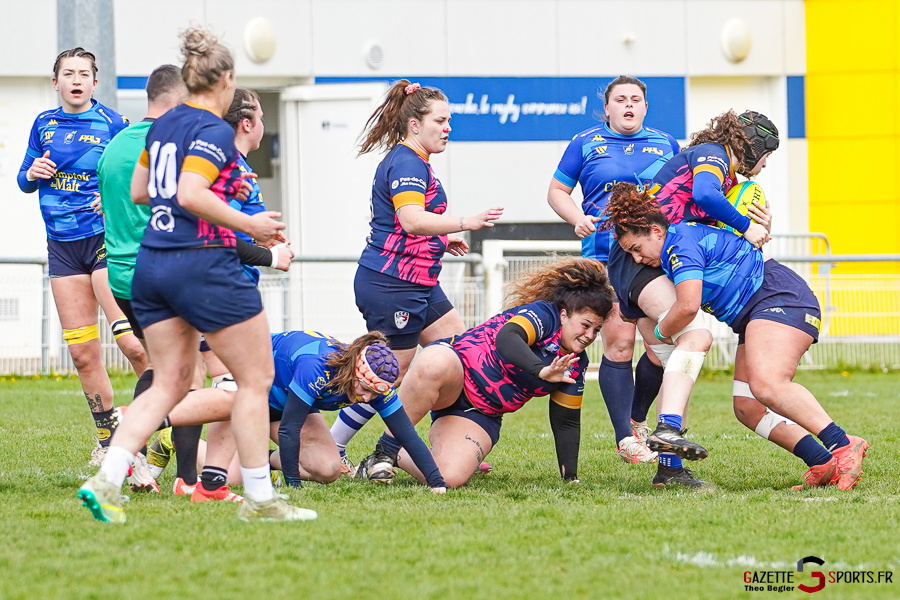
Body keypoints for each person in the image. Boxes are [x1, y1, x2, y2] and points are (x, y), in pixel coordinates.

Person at [77, 27, 315, 524]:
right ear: (225, 79)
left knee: (169, 382)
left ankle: (107, 480)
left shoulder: (162, 126)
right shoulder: (211, 131)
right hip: (202, 266)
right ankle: (261, 500)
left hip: (153, 266)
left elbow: (142, 190)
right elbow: (188, 192)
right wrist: (249, 223)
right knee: (254, 379)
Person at [603, 183, 869, 491]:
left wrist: (661, 333)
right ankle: (821, 461)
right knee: (747, 406)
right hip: (757, 311)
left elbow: (688, 307)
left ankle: (843, 443)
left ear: (655, 231)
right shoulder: (675, 244)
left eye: (636, 248)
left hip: (779, 297)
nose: (636, 258)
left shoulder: (679, 242)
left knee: (767, 384)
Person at [328, 79, 504, 471]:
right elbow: (409, 220)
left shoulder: (417, 160)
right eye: (440, 120)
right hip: (393, 286)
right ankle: (333, 445)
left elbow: (406, 224)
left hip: (419, 283)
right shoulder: (407, 161)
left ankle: (450, 443)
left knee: (459, 351)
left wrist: (443, 240)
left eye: (449, 121)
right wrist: (465, 222)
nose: (447, 128)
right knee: (386, 374)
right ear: (414, 125)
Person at [604, 110, 778, 487]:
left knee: (675, 366)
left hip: (639, 261)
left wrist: (760, 225)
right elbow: (703, 195)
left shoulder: (723, 180)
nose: (766, 163)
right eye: (768, 154)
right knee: (694, 336)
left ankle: (668, 469)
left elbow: (706, 223)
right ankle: (656, 429)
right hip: (641, 259)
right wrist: (747, 225)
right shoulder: (713, 153)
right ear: (753, 144)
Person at [355, 258, 615, 488]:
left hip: (480, 413)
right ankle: (384, 451)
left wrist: (570, 477)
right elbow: (508, 337)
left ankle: (397, 454)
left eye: (596, 330)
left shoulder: (574, 363)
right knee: (433, 361)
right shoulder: (543, 314)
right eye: (586, 325)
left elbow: (566, 421)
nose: (589, 336)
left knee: (449, 477)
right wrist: (541, 370)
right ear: (564, 315)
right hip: (455, 375)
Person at [17, 47, 148, 465]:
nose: (76, 80)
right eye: (67, 74)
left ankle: (147, 435)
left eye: (83, 73)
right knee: (82, 353)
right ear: (56, 83)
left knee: (134, 345)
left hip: (103, 243)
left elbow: (137, 181)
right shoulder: (43, 124)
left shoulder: (113, 124)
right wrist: (31, 173)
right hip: (62, 249)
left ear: (94, 82)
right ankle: (108, 440)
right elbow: (24, 178)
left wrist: (111, 199)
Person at [547, 75, 680, 464]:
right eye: (620, 99)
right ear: (606, 107)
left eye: (635, 99)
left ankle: (637, 416)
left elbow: (682, 194)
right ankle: (626, 437)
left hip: (652, 258)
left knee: (663, 342)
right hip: (605, 259)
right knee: (620, 343)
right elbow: (556, 191)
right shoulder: (585, 142)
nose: (628, 105)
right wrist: (577, 218)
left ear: (645, 106)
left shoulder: (666, 143)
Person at [153, 332, 447, 492]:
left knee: (329, 469)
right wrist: (294, 487)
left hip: (286, 403)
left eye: (374, 393)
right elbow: (288, 429)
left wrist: (437, 482)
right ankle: (172, 439)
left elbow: (406, 433)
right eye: (364, 389)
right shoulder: (317, 367)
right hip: (251, 391)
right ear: (352, 371)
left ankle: (264, 463)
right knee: (228, 480)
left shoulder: (373, 383)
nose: (367, 399)